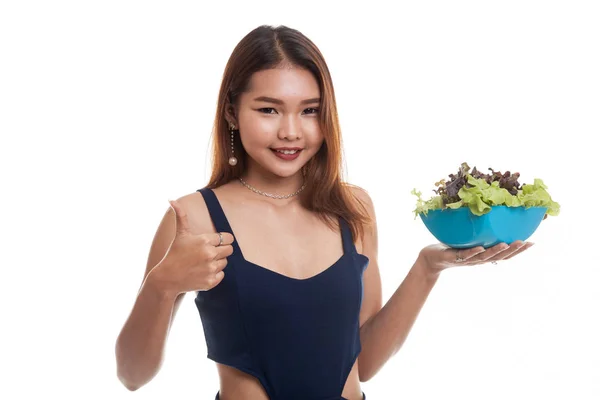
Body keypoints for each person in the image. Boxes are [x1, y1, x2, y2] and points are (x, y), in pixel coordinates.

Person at [114, 24, 534, 400]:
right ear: (231, 113)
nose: (291, 131)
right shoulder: (195, 218)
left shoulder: (353, 209)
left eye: (310, 110)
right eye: (268, 109)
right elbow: (133, 376)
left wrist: (428, 268)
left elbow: (364, 362)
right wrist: (161, 286)